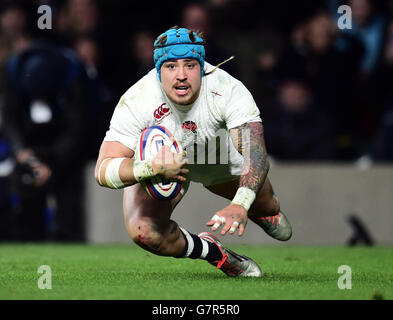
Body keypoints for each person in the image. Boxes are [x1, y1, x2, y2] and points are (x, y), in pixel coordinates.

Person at [95, 26, 292, 277]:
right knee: (145, 233)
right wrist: (151, 168)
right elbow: (102, 170)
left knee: (268, 206)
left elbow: (256, 155)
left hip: (218, 159)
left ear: (203, 67)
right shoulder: (138, 99)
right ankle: (214, 252)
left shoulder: (227, 89)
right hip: (164, 165)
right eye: (170, 66)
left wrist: (240, 204)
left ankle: (260, 211)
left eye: (190, 65)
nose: (181, 75)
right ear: (158, 70)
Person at [2, 42, 88, 241]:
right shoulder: (14, 72)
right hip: (29, 141)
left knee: (69, 212)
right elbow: (10, 119)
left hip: (64, 146)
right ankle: (28, 245)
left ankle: (69, 248)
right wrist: (20, 150)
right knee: (27, 208)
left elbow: (76, 129)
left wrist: (54, 163)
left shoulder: (72, 74)